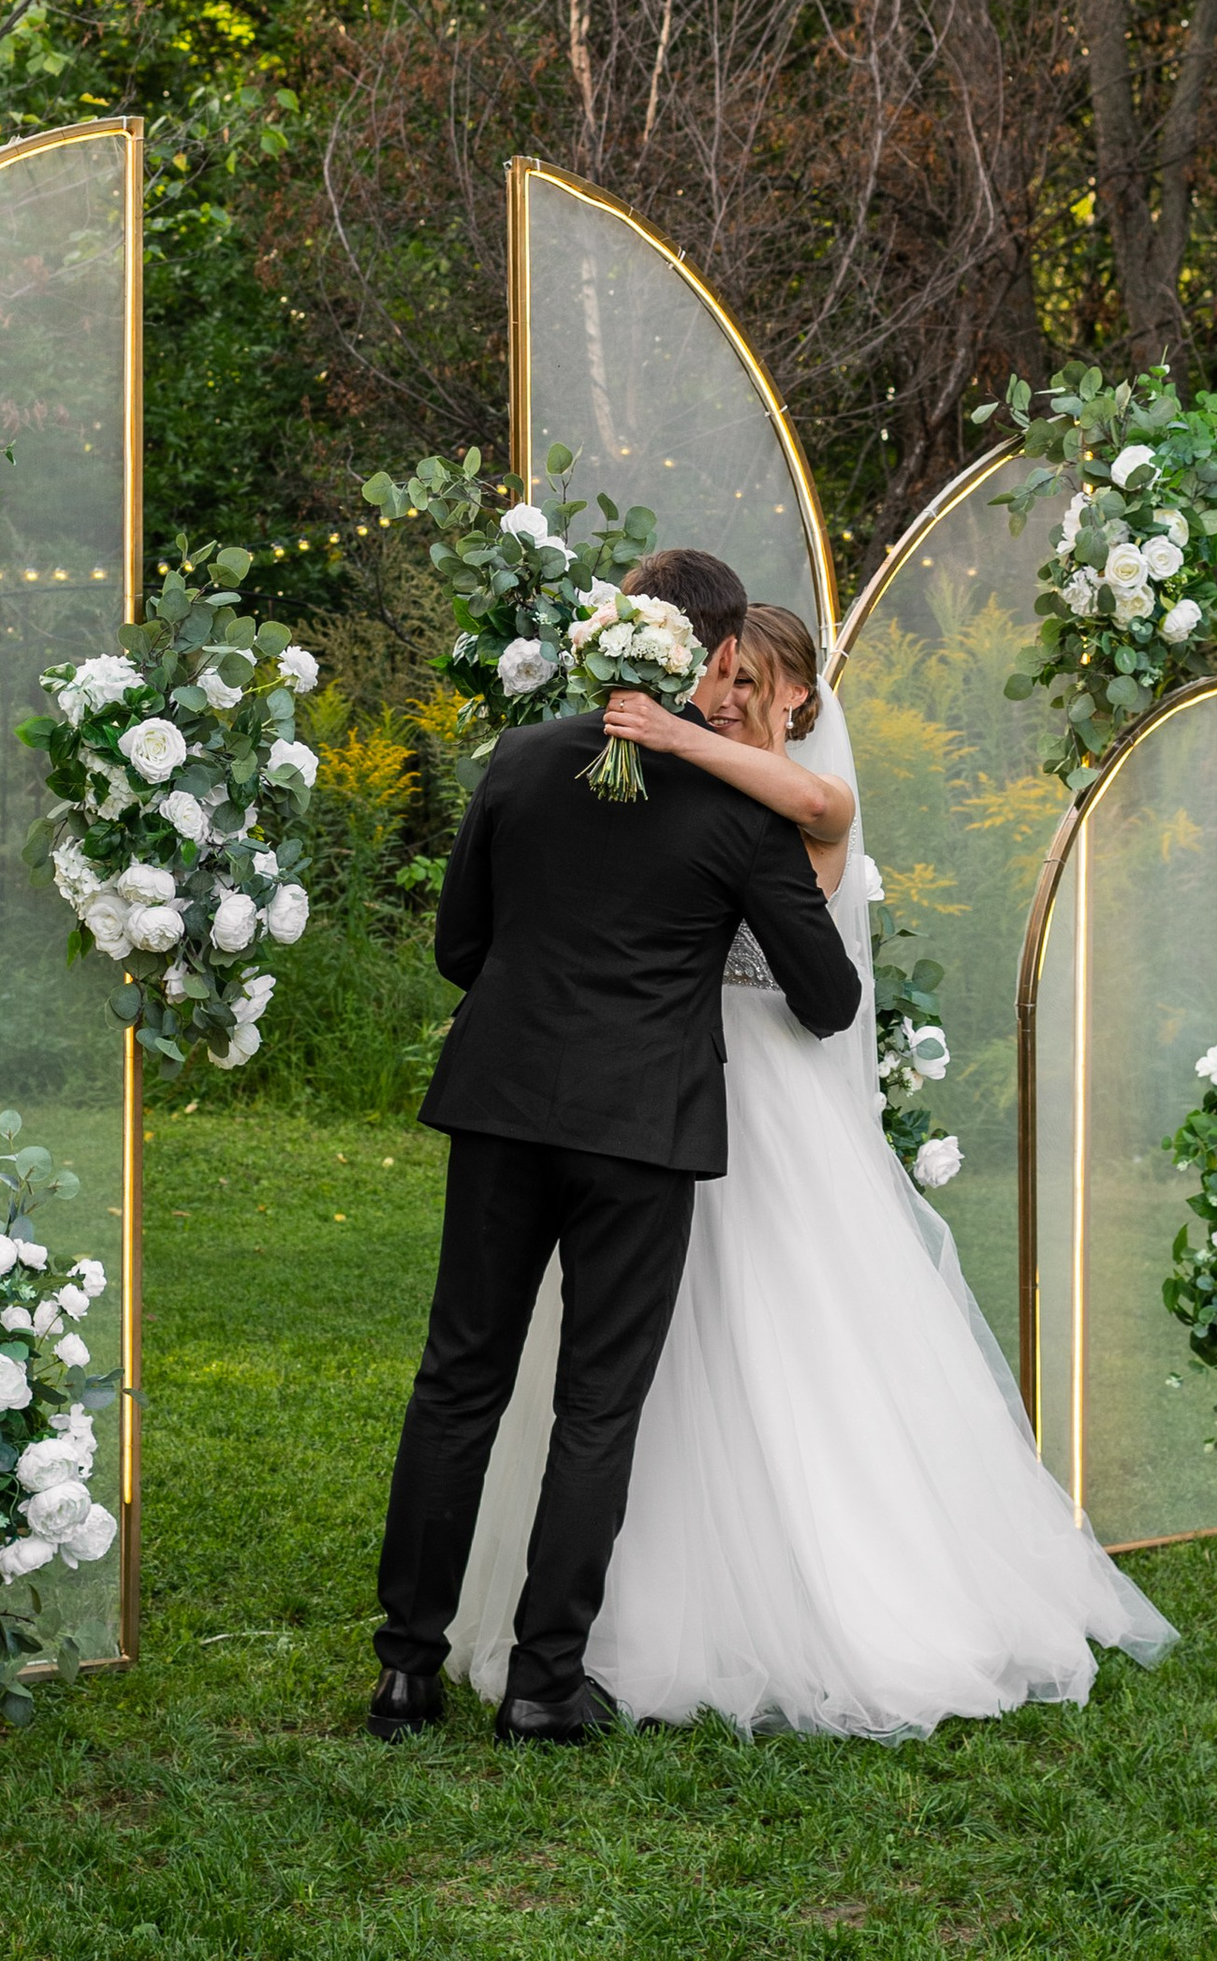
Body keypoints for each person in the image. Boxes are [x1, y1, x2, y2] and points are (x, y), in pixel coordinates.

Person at [445, 601, 1179, 1738]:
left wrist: (672, 732)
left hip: (765, 1098)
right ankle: (609, 1613)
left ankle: (807, 1588)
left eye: (751, 681)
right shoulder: (674, 788)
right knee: (624, 1372)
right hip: (652, 1087)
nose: (726, 697)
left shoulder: (809, 798)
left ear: (798, 694)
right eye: (715, 677)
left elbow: (809, 864)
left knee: (773, 1337)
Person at [368, 549, 859, 1747]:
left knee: (456, 1382)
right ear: (717, 654)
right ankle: (544, 1682)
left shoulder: (522, 757)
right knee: (596, 1405)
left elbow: (458, 945)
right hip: (641, 1131)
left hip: (500, 1105)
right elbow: (829, 997)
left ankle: (406, 1671)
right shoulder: (740, 811)